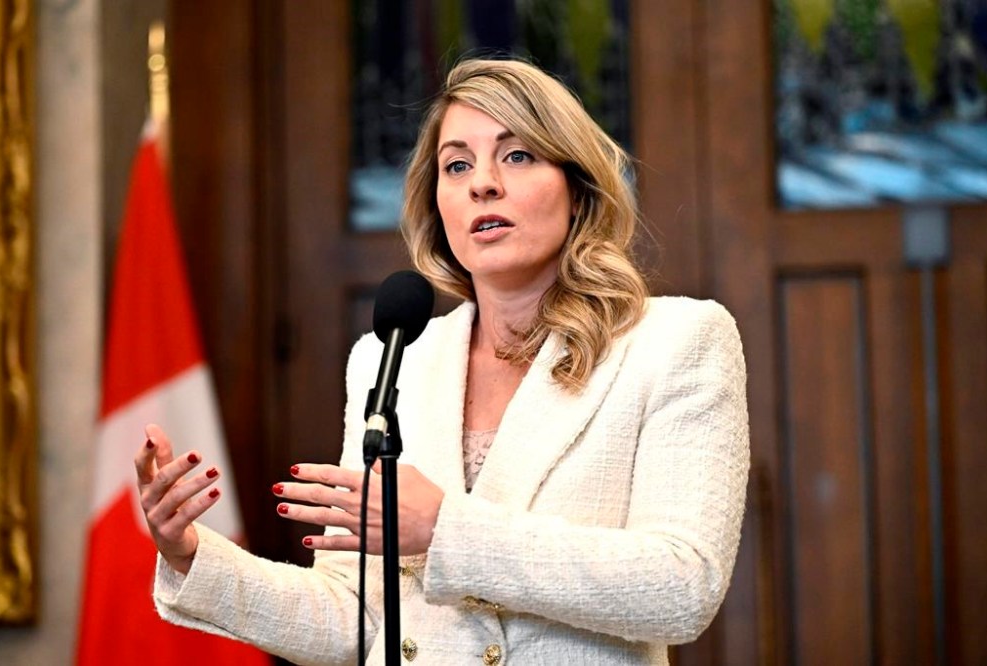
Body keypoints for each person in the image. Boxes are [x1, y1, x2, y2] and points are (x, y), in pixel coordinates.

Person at [135, 57, 749, 665]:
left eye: (517, 155)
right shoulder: (391, 357)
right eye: (457, 165)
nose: (482, 182)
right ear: (438, 206)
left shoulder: (676, 341)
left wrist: (444, 529)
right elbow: (356, 619)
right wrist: (191, 554)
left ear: (577, 186)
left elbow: (683, 587)